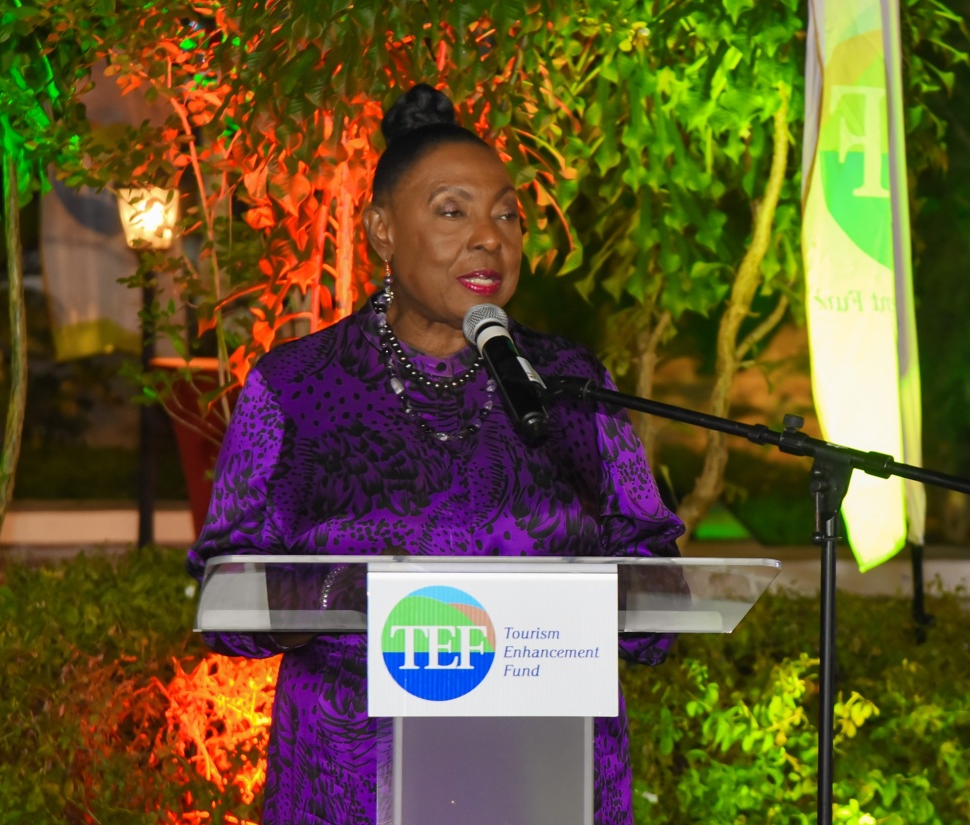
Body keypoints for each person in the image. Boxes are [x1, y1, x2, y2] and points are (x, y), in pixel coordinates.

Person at [187, 83, 684, 825]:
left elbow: (660, 597)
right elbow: (223, 598)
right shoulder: (297, 386)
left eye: (508, 215)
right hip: (356, 779)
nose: (491, 237)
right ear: (382, 229)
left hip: (546, 777)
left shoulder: (573, 386)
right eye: (453, 211)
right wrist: (349, 600)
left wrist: (621, 604)